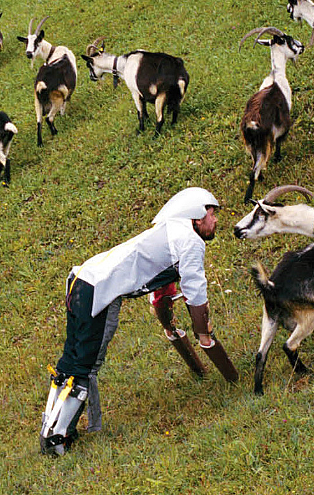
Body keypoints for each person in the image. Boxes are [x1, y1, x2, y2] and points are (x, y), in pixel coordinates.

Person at [39, 187, 238, 456]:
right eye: (212, 214)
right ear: (197, 217)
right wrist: (203, 334)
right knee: (84, 366)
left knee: (70, 361)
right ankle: (56, 441)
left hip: (80, 279)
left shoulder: (170, 229)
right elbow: (195, 290)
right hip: (99, 291)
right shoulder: (191, 241)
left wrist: (168, 320)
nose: (215, 221)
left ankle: (52, 429)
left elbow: (162, 287)